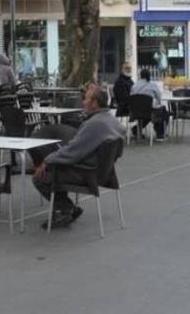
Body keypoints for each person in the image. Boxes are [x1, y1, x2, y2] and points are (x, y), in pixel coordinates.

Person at [32, 85, 125, 229]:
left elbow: (72, 153)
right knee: (57, 164)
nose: (83, 102)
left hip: (87, 173)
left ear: (94, 103)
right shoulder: (112, 121)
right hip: (105, 172)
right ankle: (66, 209)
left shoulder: (94, 124)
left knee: (40, 176)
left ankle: (66, 208)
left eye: (86, 99)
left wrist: (47, 160)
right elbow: (117, 151)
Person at [131, 69, 169, 140]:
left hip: (135, 112)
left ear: (140, 76)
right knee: (163, 112)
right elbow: (159, 97)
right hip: (149, 111)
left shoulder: (134, 86)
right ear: (149, 76)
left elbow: (132, 97)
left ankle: (136, 129)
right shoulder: (152, 85)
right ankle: (160, 134)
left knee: (145, 113)